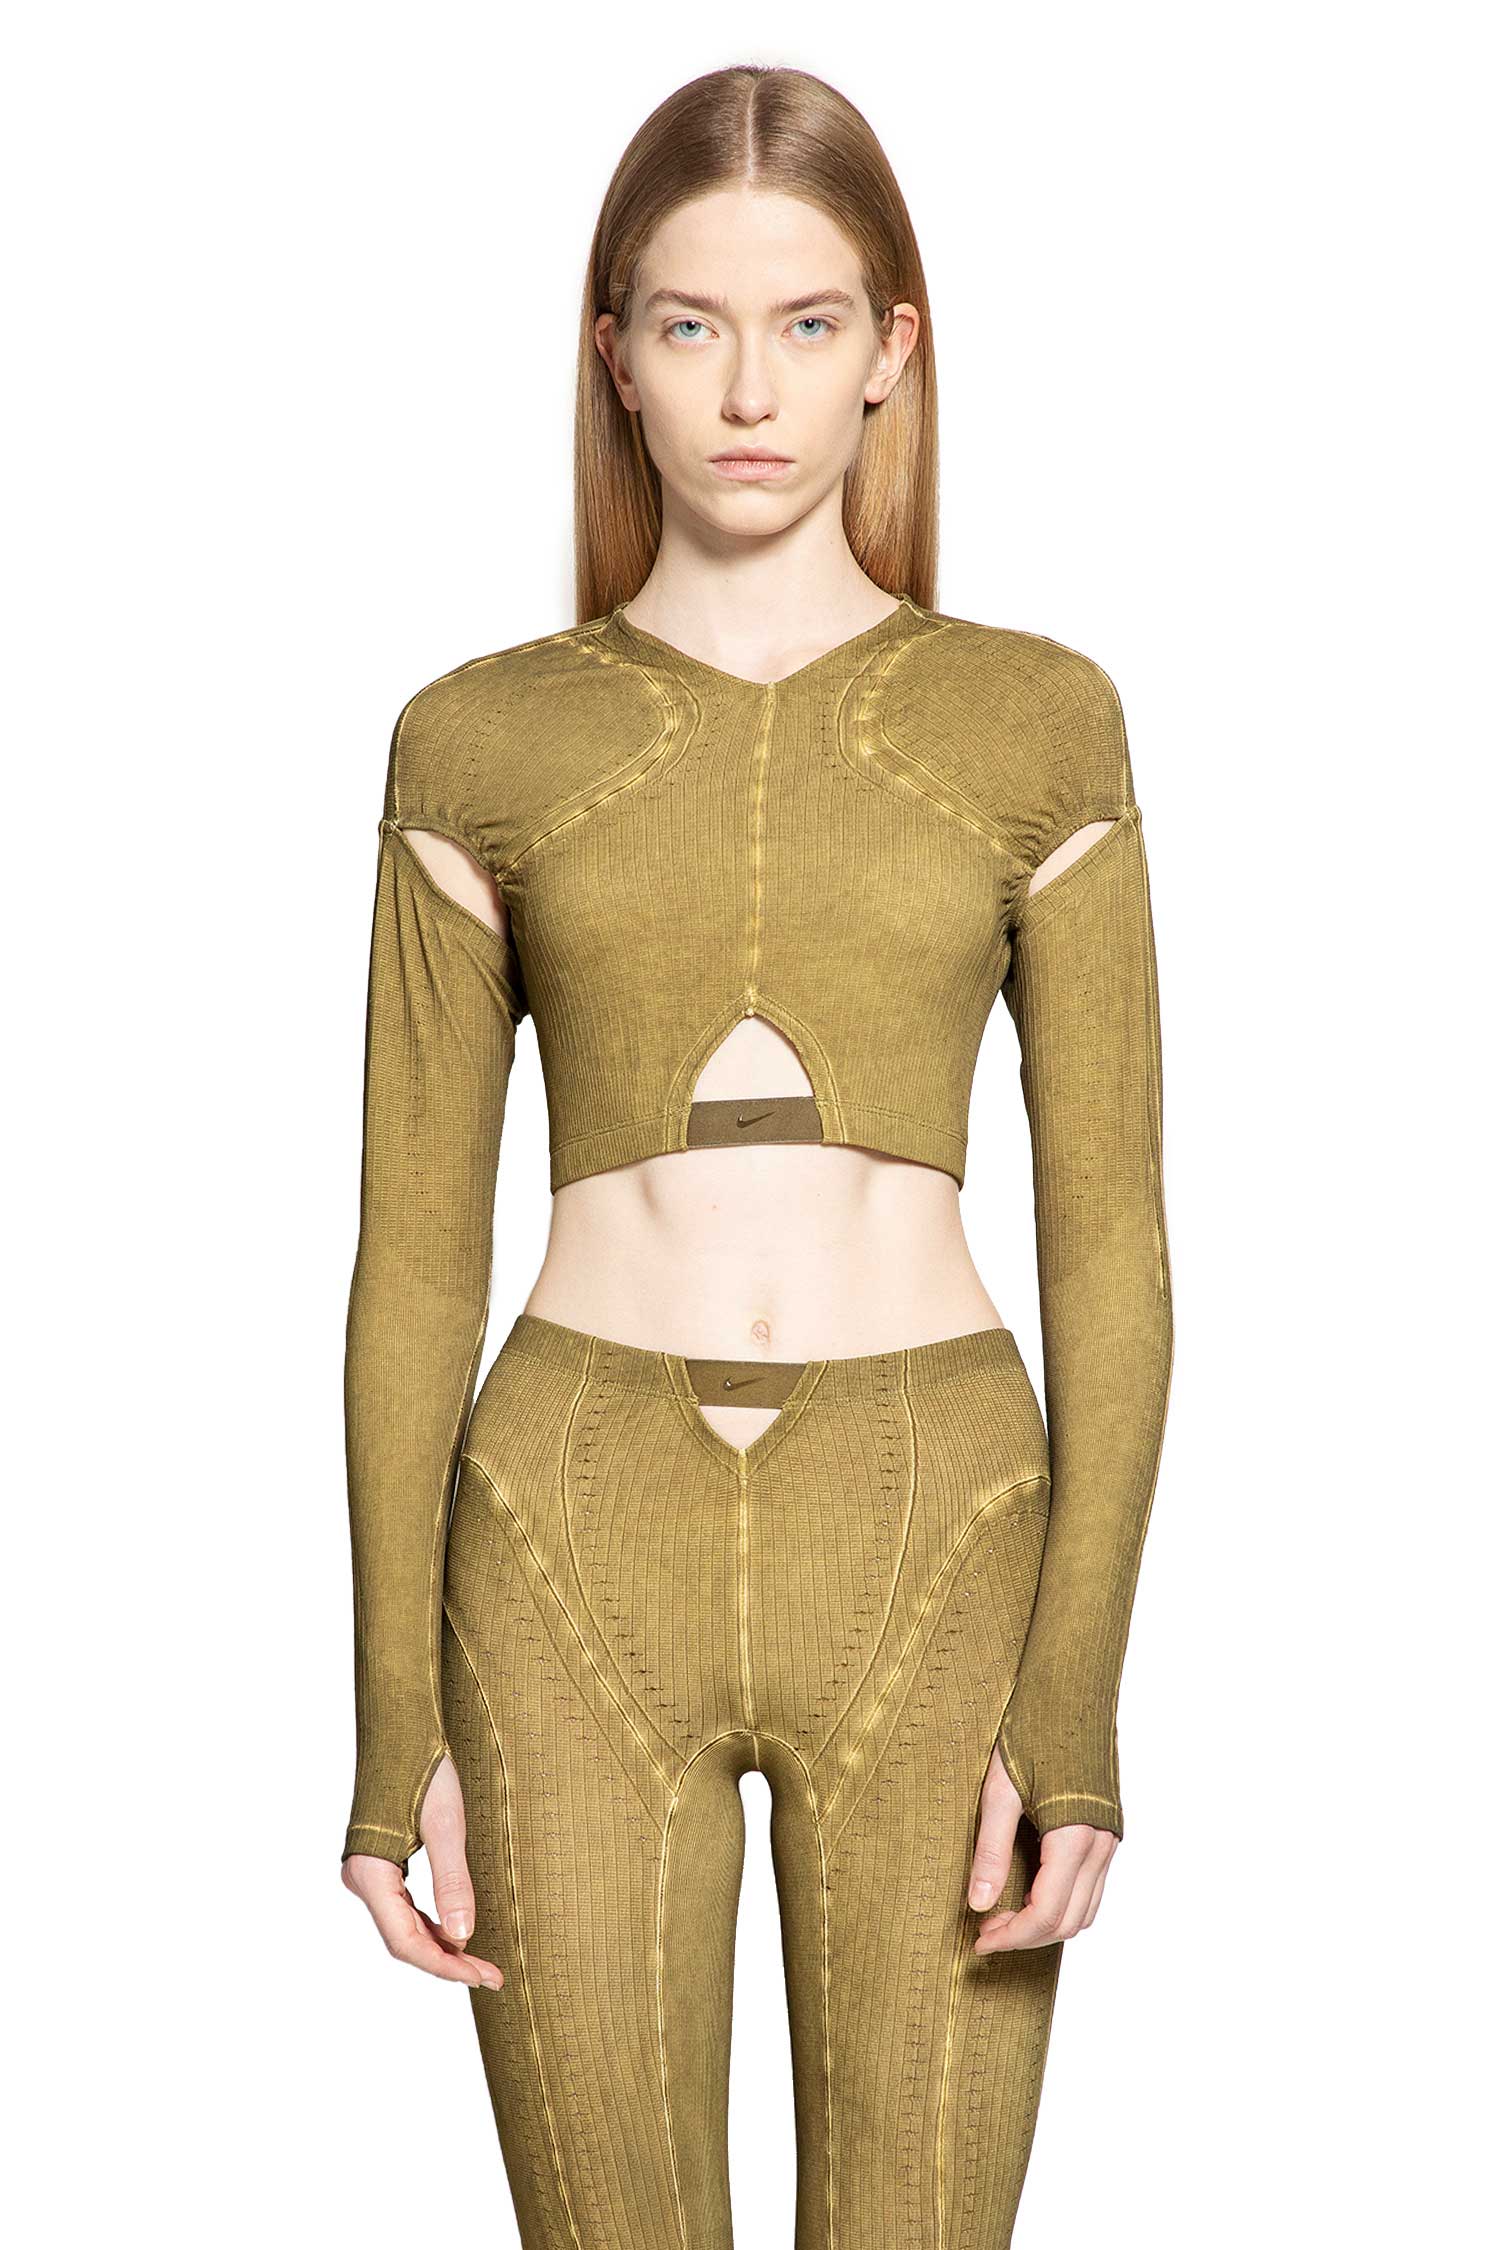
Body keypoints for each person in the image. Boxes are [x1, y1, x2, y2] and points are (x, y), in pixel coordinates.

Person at [338, 61, 1173, 2249]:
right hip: (562, 1547)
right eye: (691, 323)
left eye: (805, 324)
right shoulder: (478, 740)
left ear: (893, 351)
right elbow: (413, 1262)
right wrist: (388, 1720)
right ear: (612, 354)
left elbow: (1113, 1243)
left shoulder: (1037, 721)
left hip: (936, 1530)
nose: (746, 390)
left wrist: (1077, 1696)